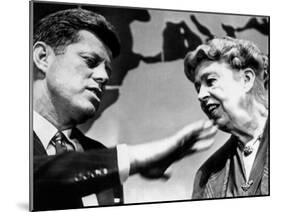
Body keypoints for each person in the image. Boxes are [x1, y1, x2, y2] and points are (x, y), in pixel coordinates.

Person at [32, 8, 218, 211]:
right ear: (43, 57)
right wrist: (136, 158)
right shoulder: (116, 162)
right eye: (90, 61)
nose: (103, 76)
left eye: (107, 69)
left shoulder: (101, 155)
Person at [184, 37, 269, 199]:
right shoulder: (206, 176)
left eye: (210, 81)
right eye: (197, 88)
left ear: (246, 79)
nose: (200, 96)